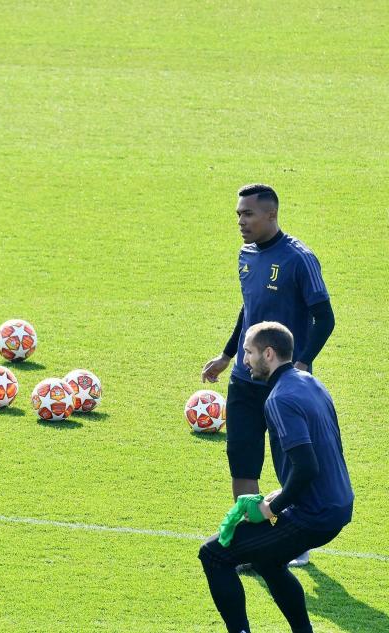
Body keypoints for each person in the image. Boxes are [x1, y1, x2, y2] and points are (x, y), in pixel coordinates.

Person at [201, 183, 335, 566]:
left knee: (288, 464)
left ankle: (297, 538)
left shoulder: (299, 259)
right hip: (245, 380)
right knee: (242, 460)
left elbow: (324, 317)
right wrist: (228, 355)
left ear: (271, 215)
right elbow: (249, 310)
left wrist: (303, 362)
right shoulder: (245, 255)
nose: (241, 221)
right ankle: (253, 541)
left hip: (281, 384)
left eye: (248, 214)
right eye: (238, 214)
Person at [199, 321, 353, 633]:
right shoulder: (311, 383)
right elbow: (325, 453)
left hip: (314, 514)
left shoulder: (279, 399)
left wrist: (272, 507)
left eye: (248, 352)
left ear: (268, 354)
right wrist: (277, 495)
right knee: (266, 560)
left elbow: (308, 467)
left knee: (213, 555)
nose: (244, 360)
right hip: (337, 504)